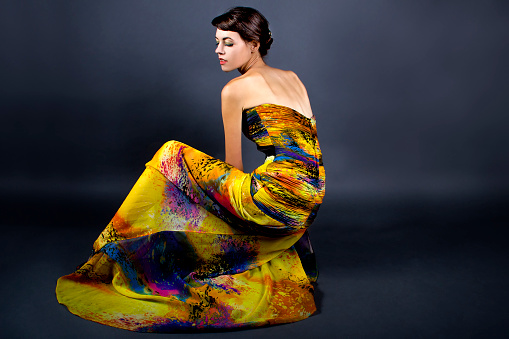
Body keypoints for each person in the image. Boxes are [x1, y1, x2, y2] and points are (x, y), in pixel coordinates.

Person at [56, 6, 325, 332]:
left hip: (275, 197)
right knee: (202, 179)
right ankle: (146, 242)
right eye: (216, 42)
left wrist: (200, 199)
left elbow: (233, 168)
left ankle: (116, 246)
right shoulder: (293, 78)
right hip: (311, 196)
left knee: (170, 154)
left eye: (228, 43)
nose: (218, 51)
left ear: (254, 43)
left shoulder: (235, 90)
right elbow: (308, 148)